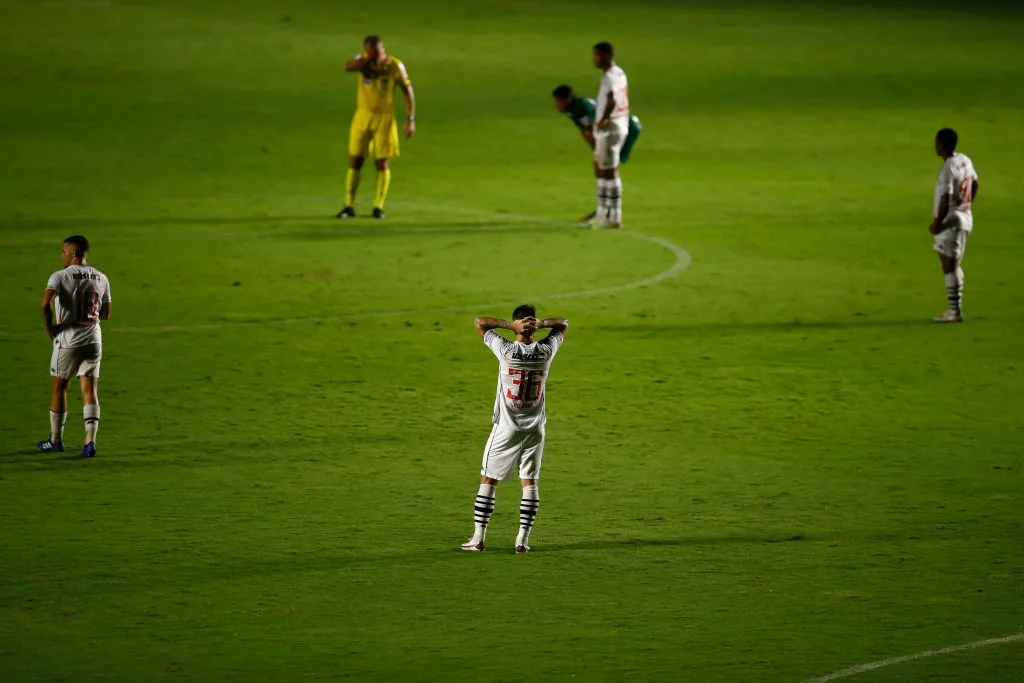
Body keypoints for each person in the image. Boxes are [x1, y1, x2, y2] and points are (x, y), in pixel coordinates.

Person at [461, 306, 569, 553]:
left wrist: (511, 327)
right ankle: (522, 541)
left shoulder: (507, 351)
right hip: (535, 429)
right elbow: (563, 323)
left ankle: (478, 538)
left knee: (488, 478)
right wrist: (540, 324)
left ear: (517, 323)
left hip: (506, 428)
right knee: (530, 481)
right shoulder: (545, 350)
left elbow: (480, 322)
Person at [38, 236, 112, 458]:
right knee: (90, 390)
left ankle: (56, 440)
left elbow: (45, 304)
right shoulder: (101, 277)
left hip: (69, 339)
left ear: (73, 253)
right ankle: (90, 442)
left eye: (63, 251)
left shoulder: (60, 276)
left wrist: (50, 328)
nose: (61, 255)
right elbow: (106, 314)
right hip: (94, 338)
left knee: (60, 388)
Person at [337, 35, 416, 220]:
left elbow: (408, 91)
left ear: (384, 49)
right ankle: (349, 206)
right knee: (355, 159)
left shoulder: (395, 66)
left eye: (378, 52)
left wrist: (410, 119)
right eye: (371, 53)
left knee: (382, 161)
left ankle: (378, 207)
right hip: (362, 117)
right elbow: (347, 66)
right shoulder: (363, 60)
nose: (375, 56)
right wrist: (364, 64)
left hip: (384, 120)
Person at [552, 84, 642, 222]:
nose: (556, 105)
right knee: (601, 167)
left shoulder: (584, 107)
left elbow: (599, 126)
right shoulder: (571, 111)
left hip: (627, 129)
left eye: (558, 101)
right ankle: (604, 210)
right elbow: (584, 131)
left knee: (607, 169)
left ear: (567, 99)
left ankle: (609, 211)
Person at [930, 128, 979, 323]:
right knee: (953, 262)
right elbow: (975, 184)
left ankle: (954, 311)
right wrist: (966, 206)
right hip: (965, 218)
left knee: (948, 264)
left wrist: (938, 223)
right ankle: (955, 308)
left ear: (942, 144)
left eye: (937, 141)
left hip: (951, 222)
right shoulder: (965, 160)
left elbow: (946, 198)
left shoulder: (947, 170)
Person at [589, 42, 630, 229]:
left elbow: (612, 99)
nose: (594, 59)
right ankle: (604, 212)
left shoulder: (610, 77)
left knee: (609, 171)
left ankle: (614, 215)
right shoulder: (620, 73)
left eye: (597, 55)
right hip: (620, 124)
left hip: (611, 128)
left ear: (607, 55)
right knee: (603, 167)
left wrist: (604, 119)